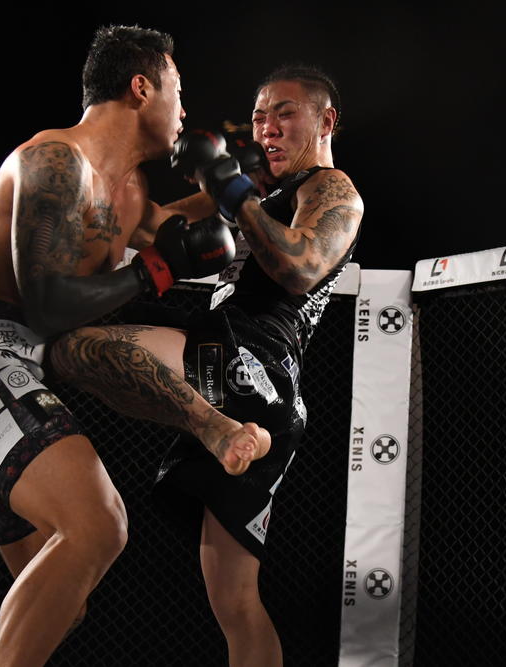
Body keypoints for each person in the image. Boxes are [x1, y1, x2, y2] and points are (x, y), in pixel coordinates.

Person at [0, 25, 270, 667]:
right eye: (178, 90)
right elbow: (48, 302)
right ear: (141, 87)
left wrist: (233, 182)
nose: (185, 110)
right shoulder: (54, 161)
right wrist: (155, 270)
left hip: (19, 375)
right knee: (98, 528)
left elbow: (197, 237)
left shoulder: (131, 194)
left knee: (60, 599)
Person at [154, 64, 364, 666]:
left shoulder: (332, 189)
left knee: (84, 345)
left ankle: (235, 431)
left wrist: (233, 191)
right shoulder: (251, 191)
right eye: (259, 116)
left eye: (285, 113)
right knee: (234, 600)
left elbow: (301, 267)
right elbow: (149, 225)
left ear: (326, 120)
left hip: (253, 367)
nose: (267, 127)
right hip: (229, 370)